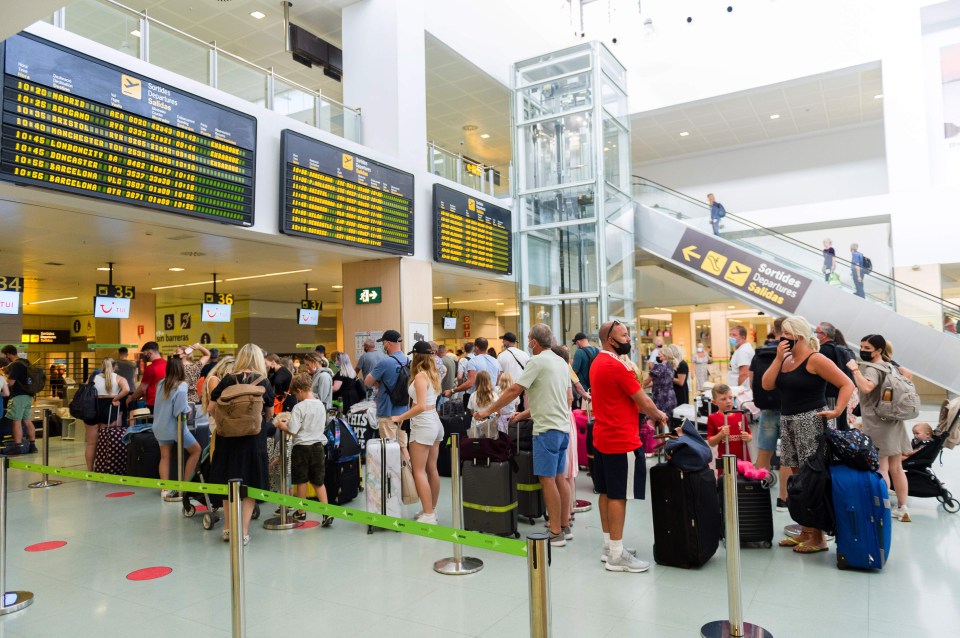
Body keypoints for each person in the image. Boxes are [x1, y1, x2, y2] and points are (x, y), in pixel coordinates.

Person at [475, 323, 572, 548]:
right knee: (560, 478)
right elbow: (559, 396)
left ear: (535, 342)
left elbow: (513, 390)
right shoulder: (560, 361)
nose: (528, 343)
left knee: (547, 479)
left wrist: (488, 410)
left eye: (529, 339)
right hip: (562, 427)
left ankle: (556, 532)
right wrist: (524, 414)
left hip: (546, 430)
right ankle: (564, 525)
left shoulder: (536, 361)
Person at [762, 316, 853, 553]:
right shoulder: (786, 360)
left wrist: (837, 410)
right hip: (789, 421)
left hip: (810, 422)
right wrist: (778, 358)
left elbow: (846, 384)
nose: (781, 338)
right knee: (798, 480)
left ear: (798, 336)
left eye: (785, 334)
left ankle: (819, 537)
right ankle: (805, 530)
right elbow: (767, 385)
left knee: (812, 479)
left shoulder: (816, 359)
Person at [589, 320, 668, 572]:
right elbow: (643, 401)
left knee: (604, 491)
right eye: (624, 335)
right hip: (621, 439)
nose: (628, 339)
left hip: (602, 436)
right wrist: (659, 415)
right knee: (618, 495)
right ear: (610, 340)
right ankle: (617, 556)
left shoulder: (597, 363)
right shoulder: (616, 365)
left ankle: (609, 546)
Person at [209, 344, 275, 546]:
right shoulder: (263, 381)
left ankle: (228, 528)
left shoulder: (228, 379)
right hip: (253, 441)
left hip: (227, 439)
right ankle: (243, 531)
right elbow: (270, 414)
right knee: (250, 484)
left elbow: (212, 408)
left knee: (228, 483)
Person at [846, 334, 913, 522]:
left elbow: (867, 388)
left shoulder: (872, 369)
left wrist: (854, 370)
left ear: (878, 350)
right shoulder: (890, 366)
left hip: (878, 423)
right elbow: (908, 376)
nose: (863, 351)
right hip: (895, 421)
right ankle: (902, 507)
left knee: (882, 468)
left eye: (867, 348)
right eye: (861, 347)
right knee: (897, 468)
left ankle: (882, 508)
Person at [390, 341, 443, 524]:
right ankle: (431, 510)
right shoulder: (433, 374)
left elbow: (420, 406)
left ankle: (428, 514)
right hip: (434, 423)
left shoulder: (420, 376)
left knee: (419, 471)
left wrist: (400, 417)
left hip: (423, 425)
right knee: (432, 469)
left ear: (416, 356)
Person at [275, 373, 334, 526]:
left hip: (301, 448)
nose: (296, 397)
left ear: (300, 390)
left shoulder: (299, 407)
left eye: (296, 394)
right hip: (318, 446)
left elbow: (293, 429)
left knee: (301, 481)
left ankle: (301, 513)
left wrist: (282, 426)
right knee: (318, 481)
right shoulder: (321, 404)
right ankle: (326, 512)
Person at [750, 317, 789, 510]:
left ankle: (758, 493)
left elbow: (752, 382)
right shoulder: (792, 352)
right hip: (789, 408)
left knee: (764, 452)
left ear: (773, 331)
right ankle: (783, 498)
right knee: (788, 455)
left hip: (766, 409)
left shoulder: (760, 352)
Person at [152, 357, 202, 500]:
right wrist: (187, 409)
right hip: (176, 428)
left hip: (159, 426)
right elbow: (179, 410)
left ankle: (165, 489)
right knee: (196, 450)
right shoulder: (182, 386)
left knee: (164, 456)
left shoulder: (161, 383)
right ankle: (184, 486)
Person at [365, 330, 409, 452]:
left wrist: (379, 381)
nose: (383, 346)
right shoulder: (408, 360)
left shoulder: (385, 362)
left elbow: (367, 382)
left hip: (387, 411)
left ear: (388, 343)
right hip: (404, 412)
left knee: (390, 450)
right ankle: (407, 471)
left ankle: (392, 472)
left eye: (383, 343)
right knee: (403, 447)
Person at [85, 357, 130, 471]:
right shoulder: (119, 378)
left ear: (102, 366)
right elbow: (126, 389)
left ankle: (90, 470)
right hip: (109, 408)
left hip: (93, 408)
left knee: (91, 443)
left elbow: (85, 389)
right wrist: (116, 398)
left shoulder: (93, 378)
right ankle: (106, 467)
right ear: (115, 367)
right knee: (106, 441)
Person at [706, 384, 752, 474]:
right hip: (725, 460)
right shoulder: (713, 418)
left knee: (744, 484)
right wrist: (720, 435)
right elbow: (711, 442)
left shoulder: (741, 415)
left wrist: (748, 437)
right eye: (723, 399)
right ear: (714, 402)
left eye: (731, 398)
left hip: (743, 459)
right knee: (725, 484)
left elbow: (750, 435)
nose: (728, 401)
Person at [816, 322, 854, 431]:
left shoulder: (822, 351)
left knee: (832, 426)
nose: (815, 335)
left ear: (823, 335)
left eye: (816, 333)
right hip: (843, 393)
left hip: (829, 394)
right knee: (841, 422)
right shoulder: (844, 349)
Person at [1, 345, 36, 454]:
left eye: (5, 355)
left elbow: (11, 382)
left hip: (19, 396)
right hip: (28, 395)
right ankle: (32, 445)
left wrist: (2, 375)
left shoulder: (16, 365)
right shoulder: (26, 362)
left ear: (8, 354)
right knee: (27, 420)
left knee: (16, 421)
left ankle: (17, 446)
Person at [445, 337, 500, 403]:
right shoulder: (495, 361)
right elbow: (497, 381)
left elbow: (470, 383)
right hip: (492, 397)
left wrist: (452, 391)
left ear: (476, 348)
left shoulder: (473, 361)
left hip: (477, 399)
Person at [645, 344, 677, 429]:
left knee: (652, 420)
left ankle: (652, 441)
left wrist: (639, 386)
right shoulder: (671, 367)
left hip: (660, 398)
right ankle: (665, 441)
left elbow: (647, 381)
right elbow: (660, 382)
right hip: (670, 397)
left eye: (659, 354)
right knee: (665, 422)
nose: (657, 356)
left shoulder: (658, 367)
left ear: (665, 356)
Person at [127, 342, 166, 413]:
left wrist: (131, 398)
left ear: (150, 352)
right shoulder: (168, 364)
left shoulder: (150, 368)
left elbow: (142, 388)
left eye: (144, 353)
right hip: (166, 402)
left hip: (153, 403)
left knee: (151, 424)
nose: (144, 356)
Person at [571, 332, 599, 397]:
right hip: (596, 388)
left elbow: (574, 371)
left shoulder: (579, 352)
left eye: (576, 343)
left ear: (578, 342)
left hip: (583, 390)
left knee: (584, 407)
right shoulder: (598, 351)